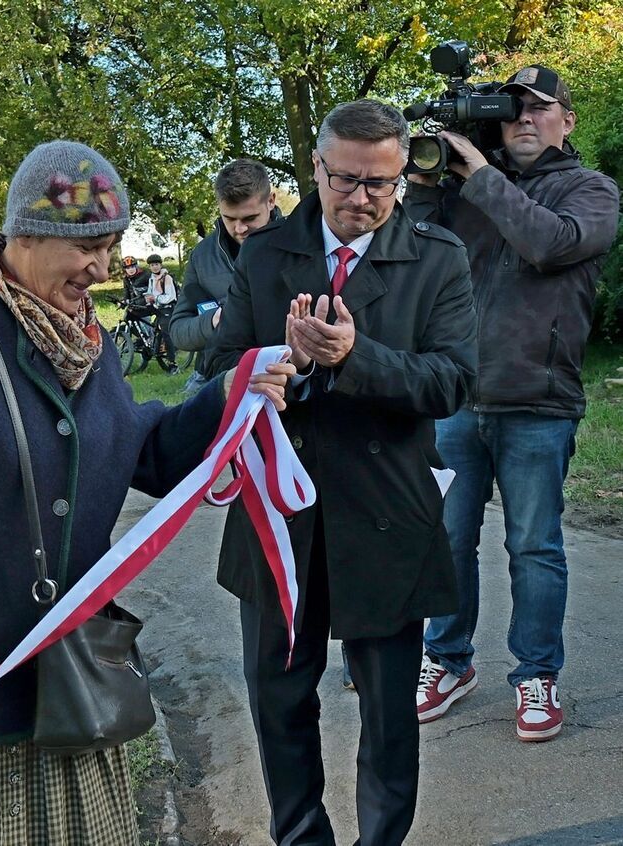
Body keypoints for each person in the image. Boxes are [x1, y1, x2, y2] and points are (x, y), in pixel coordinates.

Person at [0, 140, 293, 845]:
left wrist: (227, 396)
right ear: (28, 236)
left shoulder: (85, 341)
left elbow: (138, 450)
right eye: (88, 248)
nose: (102, 270)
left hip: (68, 696)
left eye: (111, 247)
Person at [205, 100, 477, 845]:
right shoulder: (263, 254)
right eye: (346, 180)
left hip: (388, 513)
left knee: (390, 714)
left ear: (402, 177)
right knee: (280, 702)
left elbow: (453, 382)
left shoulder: (438, 256)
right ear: (316, 169)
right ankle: (301, 838)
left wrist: (355, 358)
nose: (362, 198)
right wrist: (274, 365)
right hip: (278, 516)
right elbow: (218, 363)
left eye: (381, 184)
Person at [404, 65, 620, 741]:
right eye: (512, 108)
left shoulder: (590, 190)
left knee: (534, 546)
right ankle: (447, 660)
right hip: (459, 397)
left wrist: (479, 177)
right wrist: (422, 185)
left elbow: (548, 243)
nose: (524, 118)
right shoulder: (466, 187)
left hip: (539, 399)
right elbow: (411, 250)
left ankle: (536, 675)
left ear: (567, 120)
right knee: (447, 539)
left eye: (539, 108)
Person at [171, 159, 281, 398]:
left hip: (281, 379)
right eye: (229, 219)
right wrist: (213, 321)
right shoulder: (201, 256)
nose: (240, 229)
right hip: (218, 379)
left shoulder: (300, 245)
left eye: (249, 218)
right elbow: (178, 331)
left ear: (271, 201)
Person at [145, 253, 178, 371]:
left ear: (160, 265)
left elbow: (170, 296)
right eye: (152, 265)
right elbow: (150, 292)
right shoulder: (152, 279)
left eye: (157, 264)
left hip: (168, 307)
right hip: (158, 307)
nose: (155, 267)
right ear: (149, 267)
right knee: (152, 327)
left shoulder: (166, 278)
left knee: (166, 333)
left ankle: (173, 363)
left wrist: (156, 298)